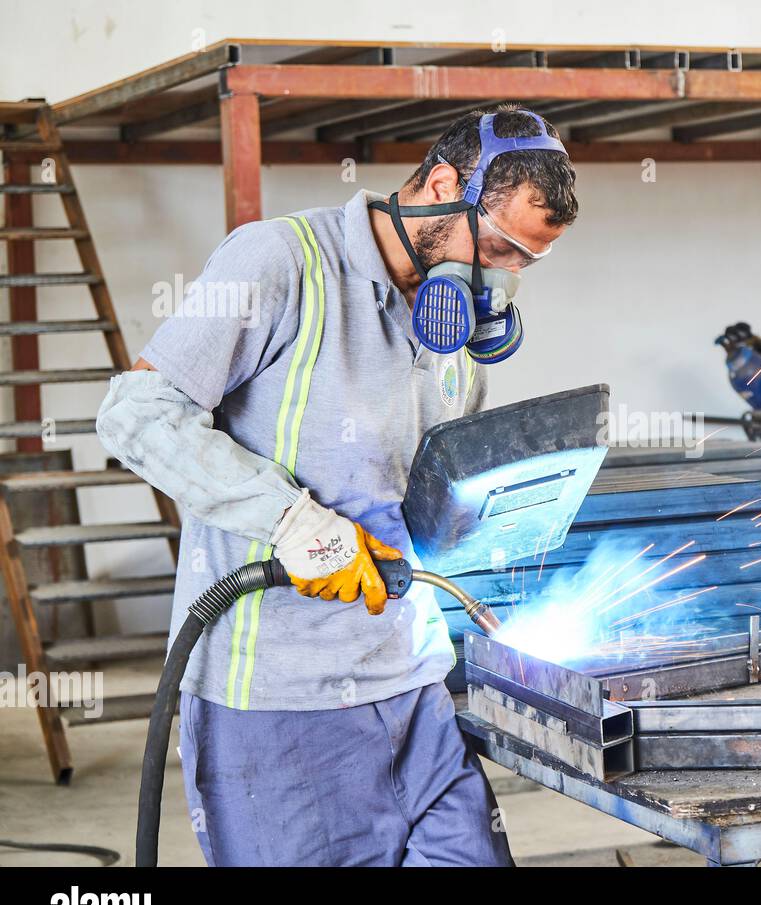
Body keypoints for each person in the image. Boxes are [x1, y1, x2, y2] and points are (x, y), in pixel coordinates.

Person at [96, 105, 578, 866]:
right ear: (443, 184)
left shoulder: (454, 334)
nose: (505, 276)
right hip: (281, 706)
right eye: (499, 246)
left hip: (416, 690)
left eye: (527, 260)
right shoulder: (279, 262)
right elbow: (136, 414)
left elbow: (429, 493)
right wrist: (291, 522)